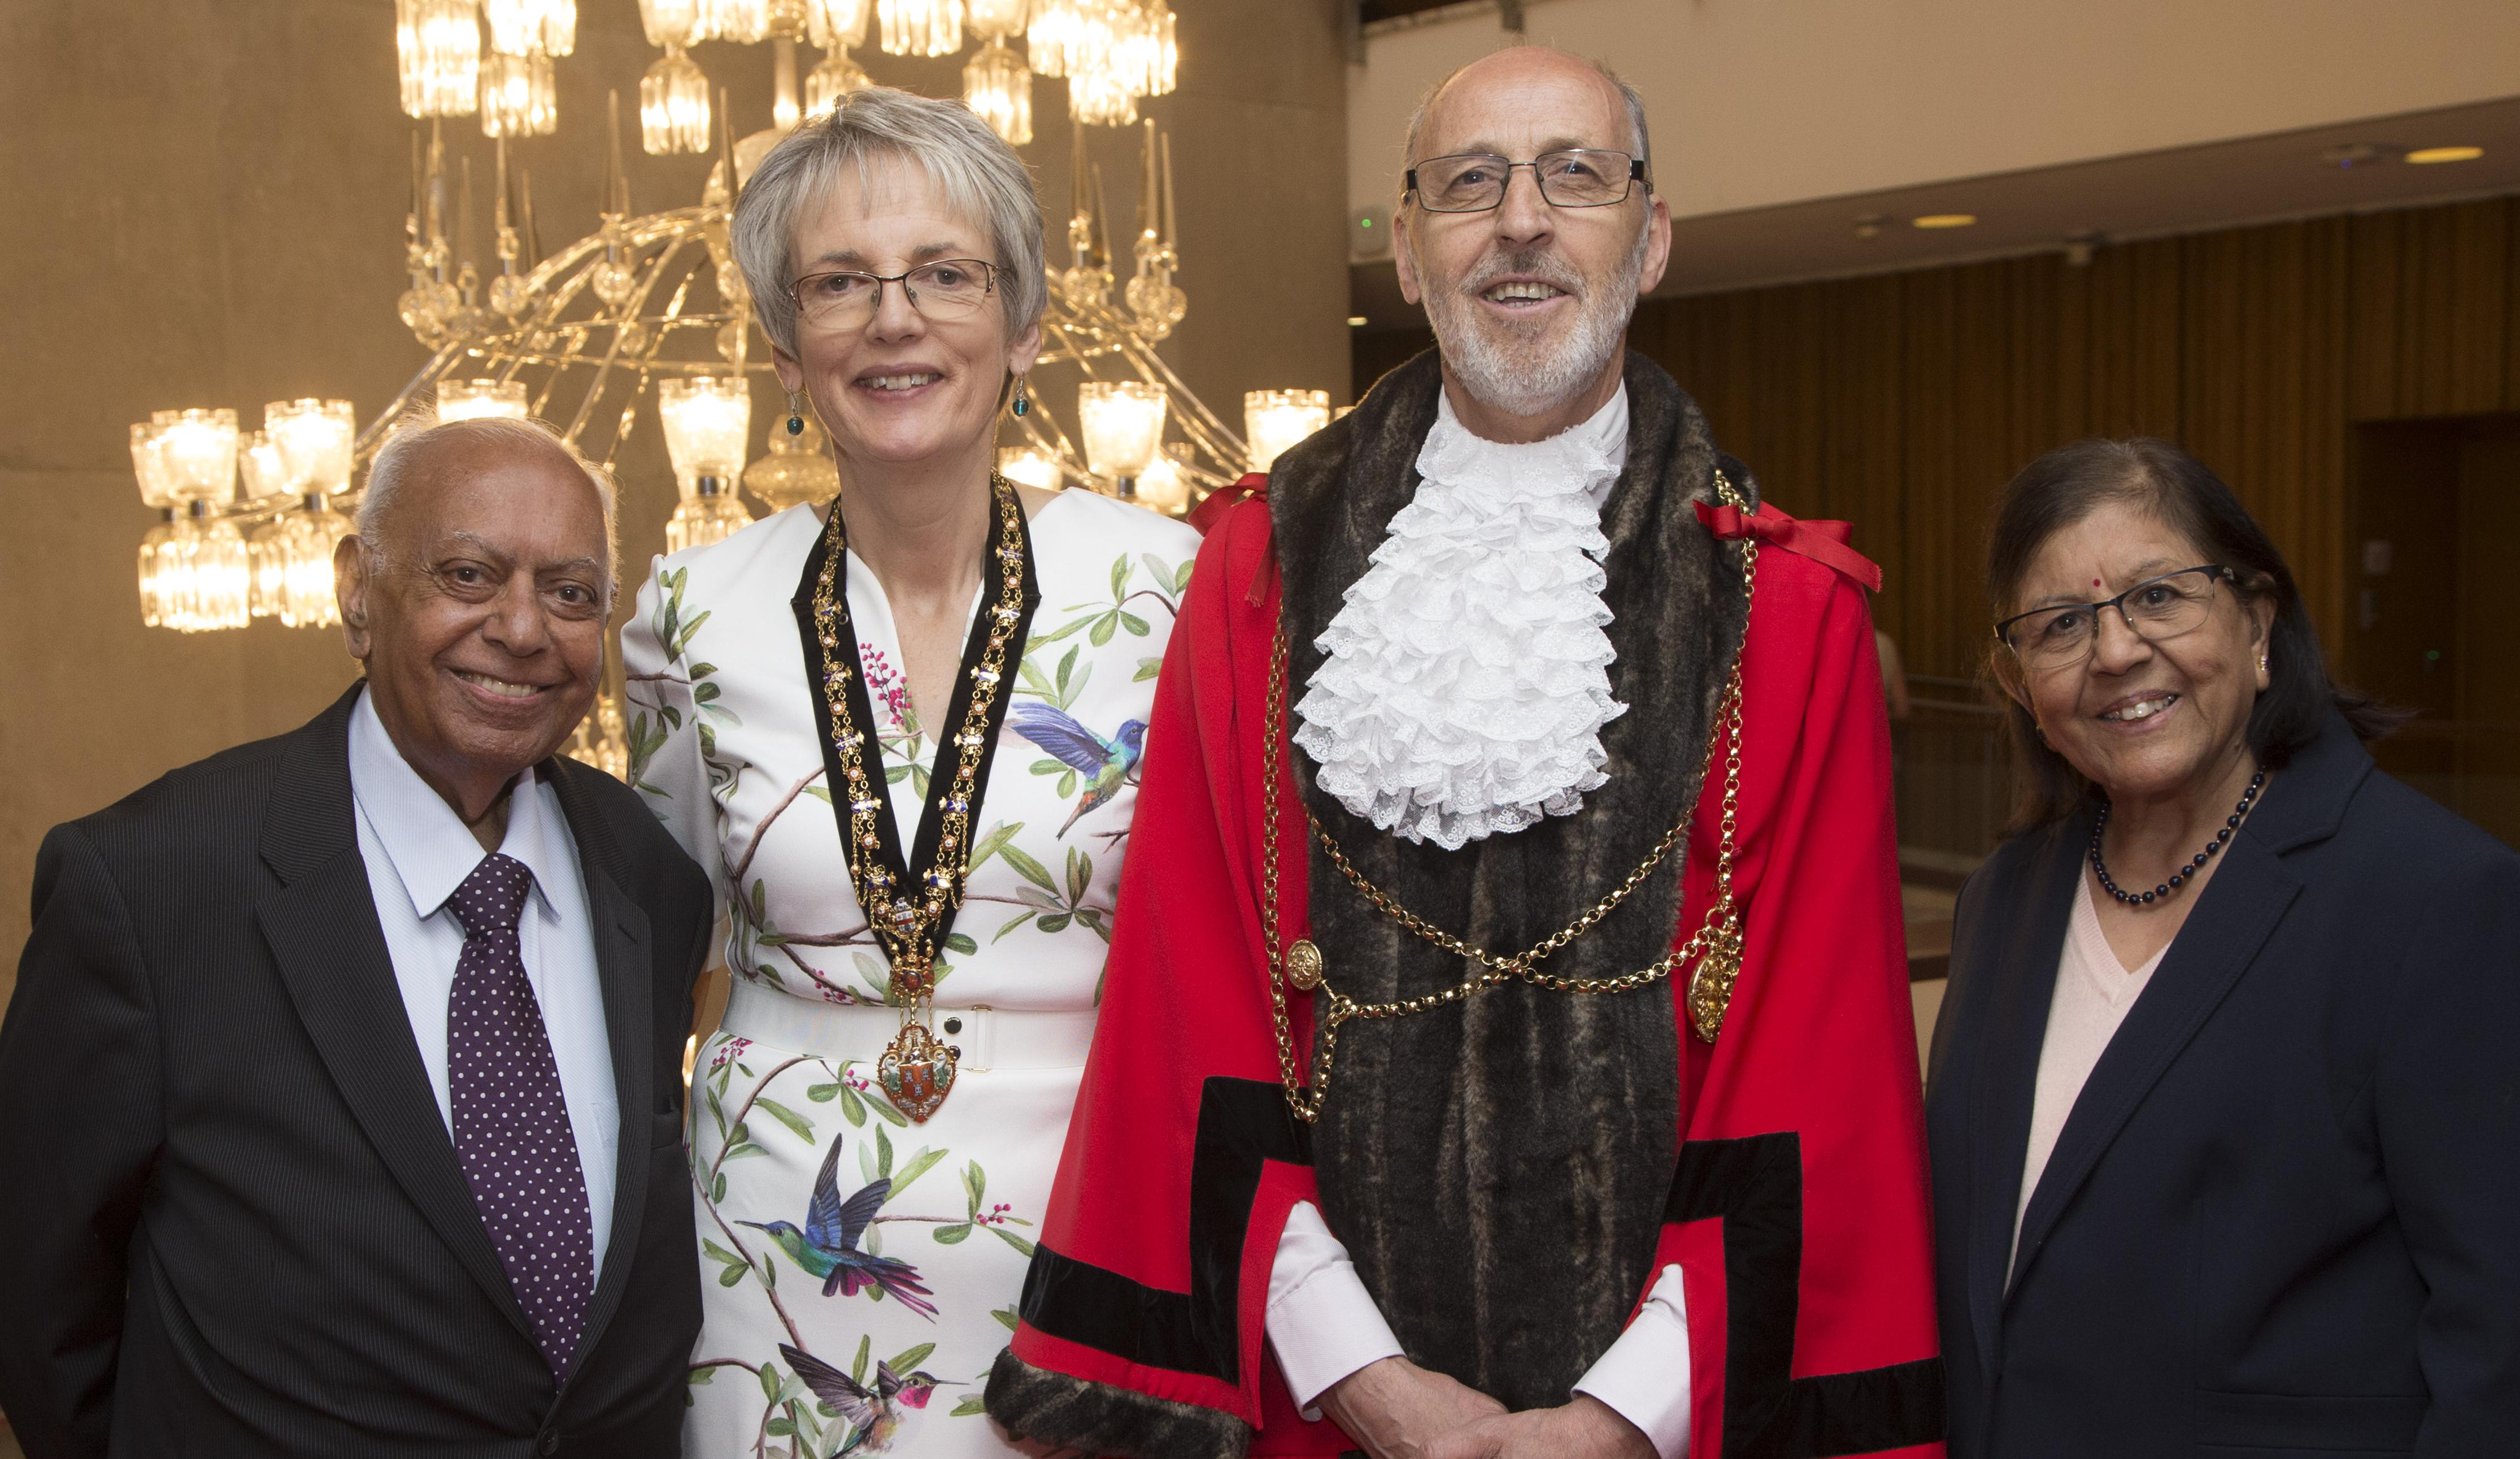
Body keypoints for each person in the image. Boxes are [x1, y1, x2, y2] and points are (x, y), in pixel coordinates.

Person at [986, 46, 1943, 1459]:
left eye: (1575, 174)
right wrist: (1361, 1376)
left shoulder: (1787, 613)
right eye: (1468, 184)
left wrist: (1622, 1416)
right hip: (1314, 1394)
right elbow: (1189, 1004)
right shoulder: (1252, 566)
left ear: (1651, 234)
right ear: (1406, 244)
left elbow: (1818, 1064)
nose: (1520, 221)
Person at [623, 88, 1199, 1457]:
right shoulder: (687, 612)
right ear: (783, 345)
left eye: (946, 273)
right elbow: (666, 955)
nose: (895, 319)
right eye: (840, 283)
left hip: (1096, 1224)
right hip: (772, 1246)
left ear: (1026, 322)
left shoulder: (1173, 587)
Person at [0, 414, 712, 1457]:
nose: (522, 630)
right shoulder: (149, 884)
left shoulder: (650, 873)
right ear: (355, 590)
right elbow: (38, 1303)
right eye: (468, 575)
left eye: (570, 593)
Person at [1925, 438, 2520, 1455]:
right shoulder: (2003, 900)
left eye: (2159, 597)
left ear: (2258, 621)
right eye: (2061, 624)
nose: (2114, 652)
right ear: (2019, 683)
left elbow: (2498, 1335)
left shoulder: (2432, 899)